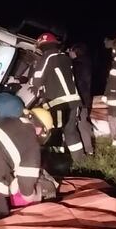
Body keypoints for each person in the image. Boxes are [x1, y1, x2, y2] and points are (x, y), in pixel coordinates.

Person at [30, 33, 85, 162]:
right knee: (71, 131)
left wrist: (33, 77)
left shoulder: (47, 56)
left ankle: (56, 161)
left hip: (58, 103)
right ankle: (80, 161)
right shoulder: (65, 58)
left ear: (42, 46)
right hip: (74, 101)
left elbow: (37, 79)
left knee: (54, 131)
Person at [67, 42, 95, 155]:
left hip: (80, 99)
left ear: (76, 52)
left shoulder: (78, 64)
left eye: (72, 51)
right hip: (86, 98)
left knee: (81, 124)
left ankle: (88, 150)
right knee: (84, 122)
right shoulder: (86, 62)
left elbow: (76, 82)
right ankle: (90, 147)